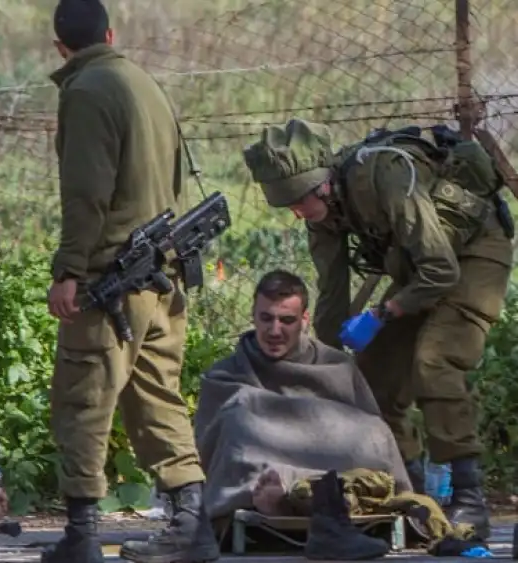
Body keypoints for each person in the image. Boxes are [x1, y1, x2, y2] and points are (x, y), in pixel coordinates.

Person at [242, 118, 513, 540]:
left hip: (474, 254)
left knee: (434, 362)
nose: (297, 214)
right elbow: (331, 297)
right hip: (418, 270)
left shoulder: (383, 176)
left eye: (298, 202)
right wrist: (321, 367)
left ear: (322, 185)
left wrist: (383, 314)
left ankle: (469, 500)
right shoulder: (323, 217)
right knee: (372, 378)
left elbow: (440, 269)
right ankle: (412, 495)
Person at [42, 1, 219, 562]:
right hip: (160, 277)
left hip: (111, 281)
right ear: (111, 35)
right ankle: (193, 521)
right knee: (156, 395)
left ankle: (82, 534)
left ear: (59, 47)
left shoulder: (87, 91)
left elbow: (86, 194)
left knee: (82, 400)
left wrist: (70, 269)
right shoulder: (144, 83)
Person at [194, 269, 410, 525]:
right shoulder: (225, 375)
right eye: (266, 318)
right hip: (261, 475)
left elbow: (371, 433)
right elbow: (206, 450)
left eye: (286, 320)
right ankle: (286, 496)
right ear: (253, 317)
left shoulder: (336, 367)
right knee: (240, 415)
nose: (274, 330)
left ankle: (300, 495)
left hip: (335, 474)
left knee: (373, 431)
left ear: (304, 319)